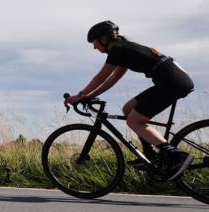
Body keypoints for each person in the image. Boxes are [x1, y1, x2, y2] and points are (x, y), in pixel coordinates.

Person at [65, 21, 195, 180]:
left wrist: (79, 95)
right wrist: (88, 96)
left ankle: (177, 156)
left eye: (94, 42)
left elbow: (101, 77)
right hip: (173, 80)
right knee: (128, 109)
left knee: (134, 121)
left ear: (104, 39)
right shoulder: (125, 49)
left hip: (171, 82)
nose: (94, 47)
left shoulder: (118, 49)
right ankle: (150, 155)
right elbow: (112, 80)